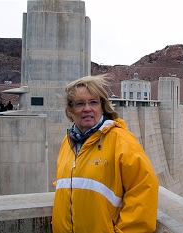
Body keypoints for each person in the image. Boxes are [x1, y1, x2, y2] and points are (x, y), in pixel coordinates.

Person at [52, 75, 159, 233]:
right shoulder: (67, 143)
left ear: (102, 107)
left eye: (93, 102)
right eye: (80, 103)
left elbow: (144, 190)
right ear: (69, 111)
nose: (87, 108)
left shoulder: (121, 141)